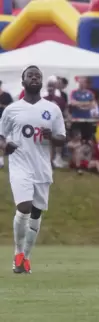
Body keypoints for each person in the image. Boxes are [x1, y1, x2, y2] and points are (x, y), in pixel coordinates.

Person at [0, 66, 66, 274]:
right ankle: (18, 252)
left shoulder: (53, 109)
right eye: (30, 75)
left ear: (42, 81)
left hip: (42, 168)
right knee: (25, 206)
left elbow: (62, 138)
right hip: (20, 164)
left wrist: (51, 137)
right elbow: (1, 135)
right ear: (23, 82)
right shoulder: (12, 109)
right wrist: (4, 146)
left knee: (36, 213)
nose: (35, 78)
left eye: (38, 75)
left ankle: (25, 258)